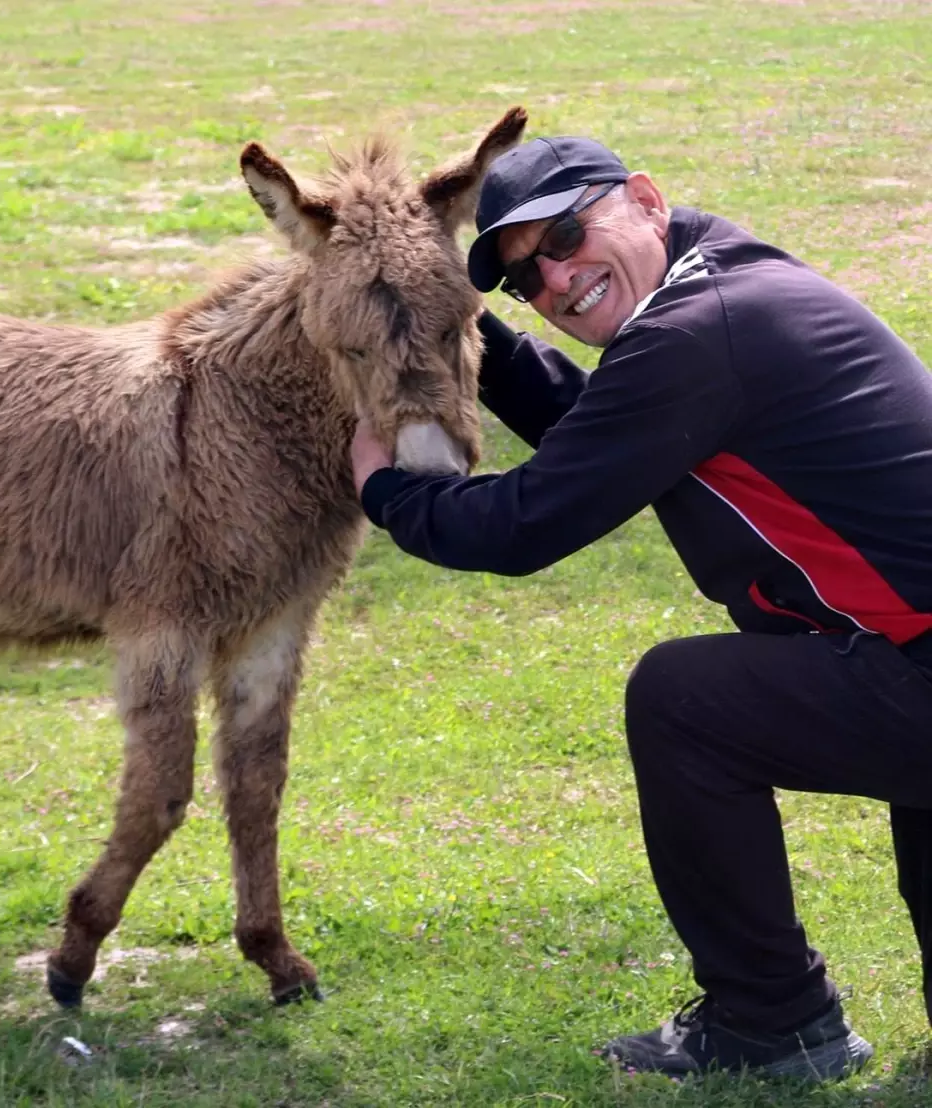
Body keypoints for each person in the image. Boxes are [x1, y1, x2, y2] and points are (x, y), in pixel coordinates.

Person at [350, 135, 932, 1081]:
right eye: (526, 277)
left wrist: (388, 493)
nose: (557, 278)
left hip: (912, 667)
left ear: (645, 200)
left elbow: (522, 524)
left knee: (683, 701)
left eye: (569, 235)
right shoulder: (715, 282)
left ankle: (772, 1021)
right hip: (902, 656)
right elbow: (611, 431)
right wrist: (471, 330)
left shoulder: (700, 336)